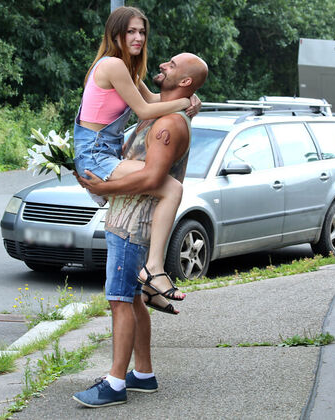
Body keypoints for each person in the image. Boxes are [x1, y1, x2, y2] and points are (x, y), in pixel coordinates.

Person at [72, 52, 208, 408]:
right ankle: (143, 374)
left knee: (119, 301)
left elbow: (151, 179)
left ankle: (115, 383)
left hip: (133, 225)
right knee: (132, 299)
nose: (163, 65)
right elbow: (135, 89)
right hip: (127, 219)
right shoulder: (159, 113)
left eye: (172, 65)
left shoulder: (169, 124)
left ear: (184, 82)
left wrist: (103, 187)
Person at [74, 6, 197, 312]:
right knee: (171, 188)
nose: (138, 37)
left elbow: (153, 99)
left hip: (104, 152)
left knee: (164, 186)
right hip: (95, 155)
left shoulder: (127, 69)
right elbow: (144, 111)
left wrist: (191, 101)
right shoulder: (113, 65)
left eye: (142, 31)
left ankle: (150, 278)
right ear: (116, 34)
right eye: (131, 31)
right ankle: (154, 270)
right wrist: (183, 101)